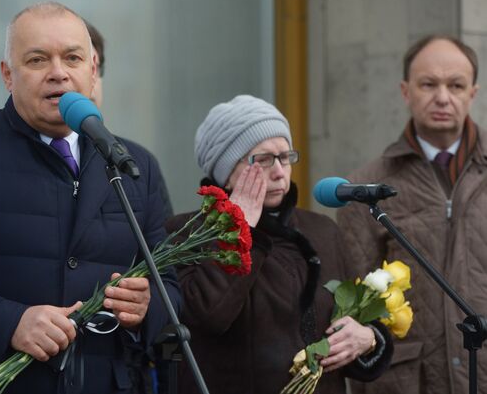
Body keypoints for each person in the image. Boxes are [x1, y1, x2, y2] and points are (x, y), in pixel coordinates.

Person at [0, 1, 180, 394]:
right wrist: (9, 323)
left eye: (72, 57)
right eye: (37, 60)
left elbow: (169, 286)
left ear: (92, 66)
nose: (58, 73)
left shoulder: (135, 164)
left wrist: (147, 306)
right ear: (7, 75)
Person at [165, 95, 393, 394]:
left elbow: (350, 323)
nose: (279, 171)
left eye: (285, 157)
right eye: (263, 159)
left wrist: (368, 338)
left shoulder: (322, 231)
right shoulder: (186, 234)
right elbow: (210, 317)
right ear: (226, 171)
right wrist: (240, 227)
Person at [337, 35, 487, 394]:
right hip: (406, 382)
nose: (442, 97)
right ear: (406, 91)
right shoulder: (366, 187)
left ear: (473, 93)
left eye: (455, 85)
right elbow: (354, 309)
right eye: (428, 84)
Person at [84, 19, 173, 221]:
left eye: (95, 68)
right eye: (75, 61)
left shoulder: (141, 163)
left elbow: (162, 248)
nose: (89, 82)